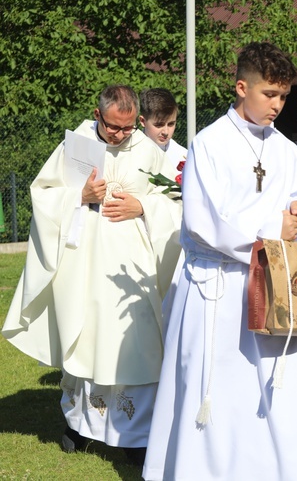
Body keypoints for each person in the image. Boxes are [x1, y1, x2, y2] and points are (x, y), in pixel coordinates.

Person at [142, 42, 297, 480]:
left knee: (277, 388)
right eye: (270, 94)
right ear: (241, 86)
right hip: (221, 286)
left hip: (276, 284)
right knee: (223, 389)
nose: (277, 105)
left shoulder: (286, 150)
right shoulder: (208, 144)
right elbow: (203, 222)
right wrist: (273, 227)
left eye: (284, 96)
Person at [2, 85, 182, 466]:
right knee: (85, 339)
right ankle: (80, 425)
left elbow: (176, 199)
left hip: (133, 267)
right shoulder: (75, 147)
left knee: (136, 343)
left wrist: (144, 206)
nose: (121, 136)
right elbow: (44, 194)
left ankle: (135, 435)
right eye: (115, 127)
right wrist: (79, 196)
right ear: (98, 116)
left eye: (129, 128)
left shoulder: (146, 149)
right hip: (83, 262)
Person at [139, 87, 187, 170]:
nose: (166, 132)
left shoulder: (184, 157)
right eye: (159, 125)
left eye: (171, 124)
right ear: (143, 121)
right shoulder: (128, 152)